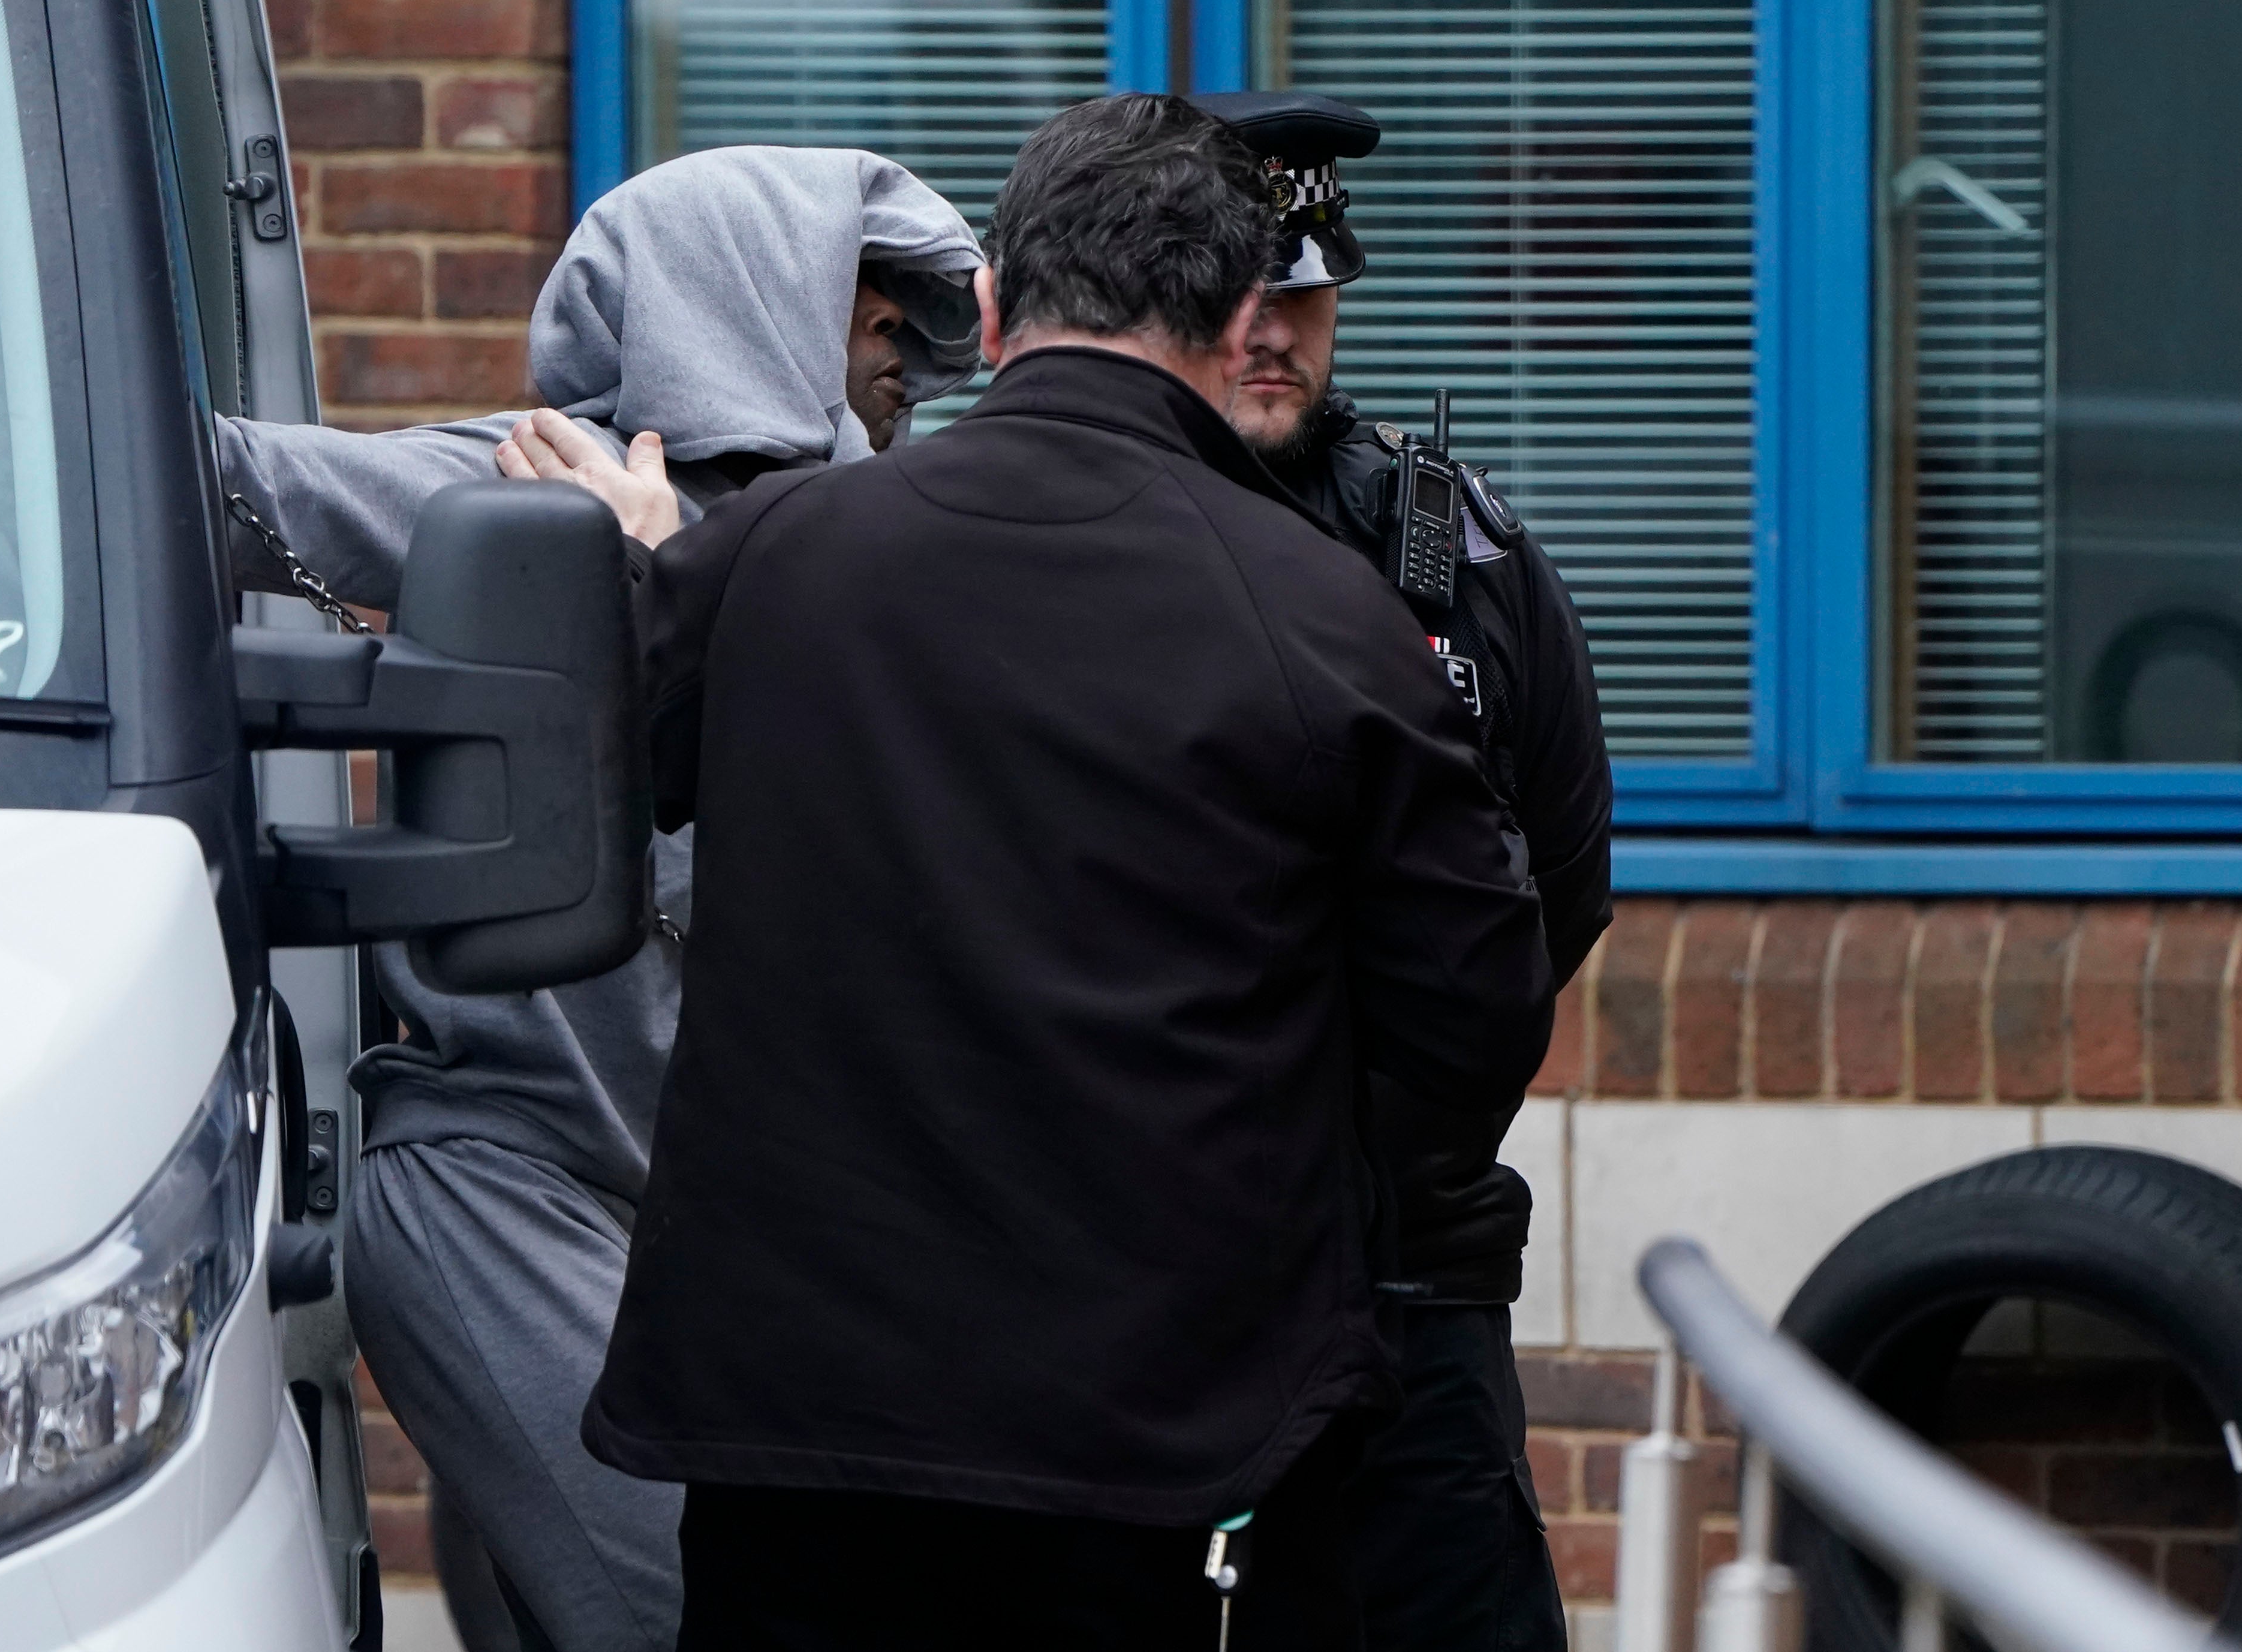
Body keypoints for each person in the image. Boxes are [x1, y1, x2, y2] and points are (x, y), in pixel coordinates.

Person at [580, 92, 1557, 1650]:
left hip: (797, 1436)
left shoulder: (771, 559)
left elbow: (588, 796)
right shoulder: (1325, 616)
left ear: (988, 301)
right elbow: (1475, 1019)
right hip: (1157, 1442)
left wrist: (636, 570)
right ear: (1230, 307)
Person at [218, 146, 985, 1652]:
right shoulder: (530, 490)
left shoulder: (882, 545)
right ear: (741, 302)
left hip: (728, 1251)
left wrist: (691, 568)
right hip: (518, 1202)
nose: (905, 354)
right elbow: (212, 480)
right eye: (874, 308)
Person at [1193, 89, 1614, 1652]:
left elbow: (1557, 880)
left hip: (1411, 1297)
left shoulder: (1462, 551)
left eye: (1300, 292)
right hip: (1138, 1300)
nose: (1269, 331)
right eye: (1233, 293)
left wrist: (1400, 1120)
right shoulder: (1066, 531)